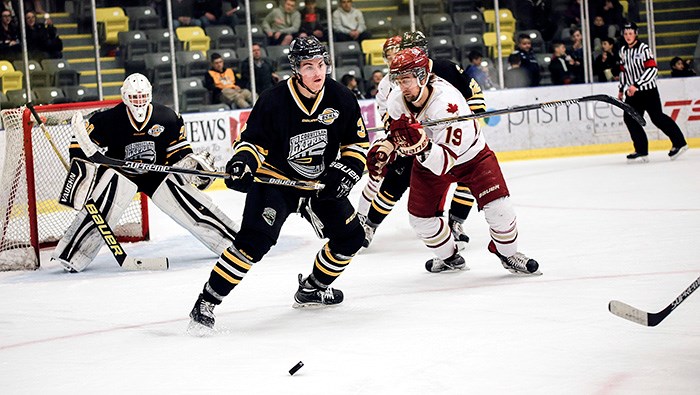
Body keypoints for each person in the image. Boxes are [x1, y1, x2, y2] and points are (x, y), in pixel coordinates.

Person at [188, 36, 369, 334]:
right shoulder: (274, 100)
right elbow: (251, 142)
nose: (317, 72)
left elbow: (356, 143)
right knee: (253, 243)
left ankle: (313, 288)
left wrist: (347, 168)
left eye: (321, 64)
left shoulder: (341, 97)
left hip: (318, 184)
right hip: (276, 181)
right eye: (309, 66)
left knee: (351, 239)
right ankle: (206, 301)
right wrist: (243, 163)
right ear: (296, 69)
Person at [370, 47, 540, 275]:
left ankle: (508, 254)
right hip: (429, 159)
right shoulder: (396, 100)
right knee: (420, 220)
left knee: (500, 210)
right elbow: (398, 134)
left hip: (472, 157)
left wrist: (420, 146)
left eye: (407, 80)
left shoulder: (447, 105)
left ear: (422, 76)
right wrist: (386, 148)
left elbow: (444, 163)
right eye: (398, 80)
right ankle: (450, 258)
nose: (402, 87)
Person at [55, 73, 240, 273]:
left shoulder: (167, 117)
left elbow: (180, 153)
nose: (139, 102)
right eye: (134, 98)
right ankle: (73, 254)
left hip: (157, 175)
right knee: (102, 209)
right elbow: (78, 147)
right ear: (125, 97)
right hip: (121, 174)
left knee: (191, 205)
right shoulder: (106, 119)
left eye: (142, 97)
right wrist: (84, 172)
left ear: (150, 95)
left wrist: (193, 167)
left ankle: (232, 242)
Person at [359, 31, 482, 250]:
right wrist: (399, 134)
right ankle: (370, 225)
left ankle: (455, 224)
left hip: (450, 139)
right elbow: (389, 114)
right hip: (413, 143)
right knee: (395, 182)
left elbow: (474, 95)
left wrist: (468, 123)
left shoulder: (446, 68)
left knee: (469, 178)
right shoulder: (392, 81)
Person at [618, 22, 688, 162]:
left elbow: (652, 70)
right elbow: (623, 71)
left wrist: (637, 84)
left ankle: (680, 143)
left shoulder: (644, 49)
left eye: (630, 33)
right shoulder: (623, 51)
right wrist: (621, 89)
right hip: (632, 93)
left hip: (648, 91)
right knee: (630, 119)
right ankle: (641, 150)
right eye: (625, 34)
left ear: (636, 33)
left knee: (657, 117)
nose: (628, 36)